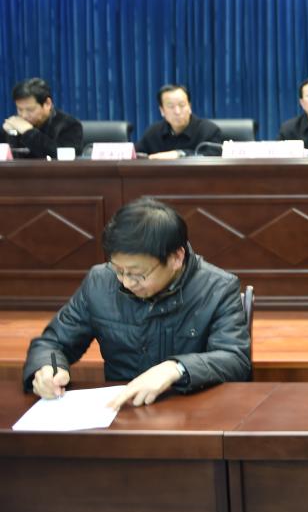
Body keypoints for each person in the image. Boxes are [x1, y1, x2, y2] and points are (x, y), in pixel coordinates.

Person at [23, 198, 252, 409]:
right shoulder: (100, 282)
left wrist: (176, 368)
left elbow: (235, 360)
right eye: (118, 270)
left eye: (137, 274)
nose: (126, 282)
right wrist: (49, 368)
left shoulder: (217, 288)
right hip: (120, 411)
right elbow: (53, 343)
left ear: (176, 258)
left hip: (191, 410)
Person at [135, 84, 223, 159]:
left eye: (182, 105)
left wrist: (179, 154)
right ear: (162, 110)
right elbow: (137, 155)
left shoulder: (209, 131)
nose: (177, 111)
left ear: (189, 107)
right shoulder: (153, 133)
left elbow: (215, 155)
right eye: (170, 106)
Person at [2, 77, 83, 159]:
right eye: (20, 109)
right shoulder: (15, 125)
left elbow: (64, 157)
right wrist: (6, 134)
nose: (23, 115)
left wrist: (28, 132)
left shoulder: (70, 125)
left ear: (47, 103)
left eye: (30, 110)